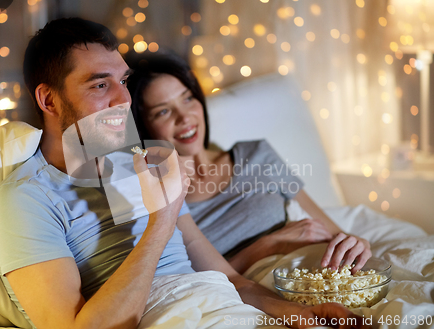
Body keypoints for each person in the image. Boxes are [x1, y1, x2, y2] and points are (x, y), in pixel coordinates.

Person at [0, 18, 367, 329]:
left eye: (123, 81)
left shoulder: (141, 165)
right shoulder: (23, 201)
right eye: (101, 84)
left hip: (223, 309)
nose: (124, 99)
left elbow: (231, 281)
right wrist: (161, 219)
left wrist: (300, 315)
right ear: (49, 99)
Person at [126, 51, 372, 274]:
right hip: (250, 295)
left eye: (187, 98)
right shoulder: (164, 200)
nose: (184, 117)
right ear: (143, 126)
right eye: (163, 111)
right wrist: (267, 245)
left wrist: (356, 243)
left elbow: (331, 229)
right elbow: (200, 280)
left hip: (314, 271)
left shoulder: (256, 154)